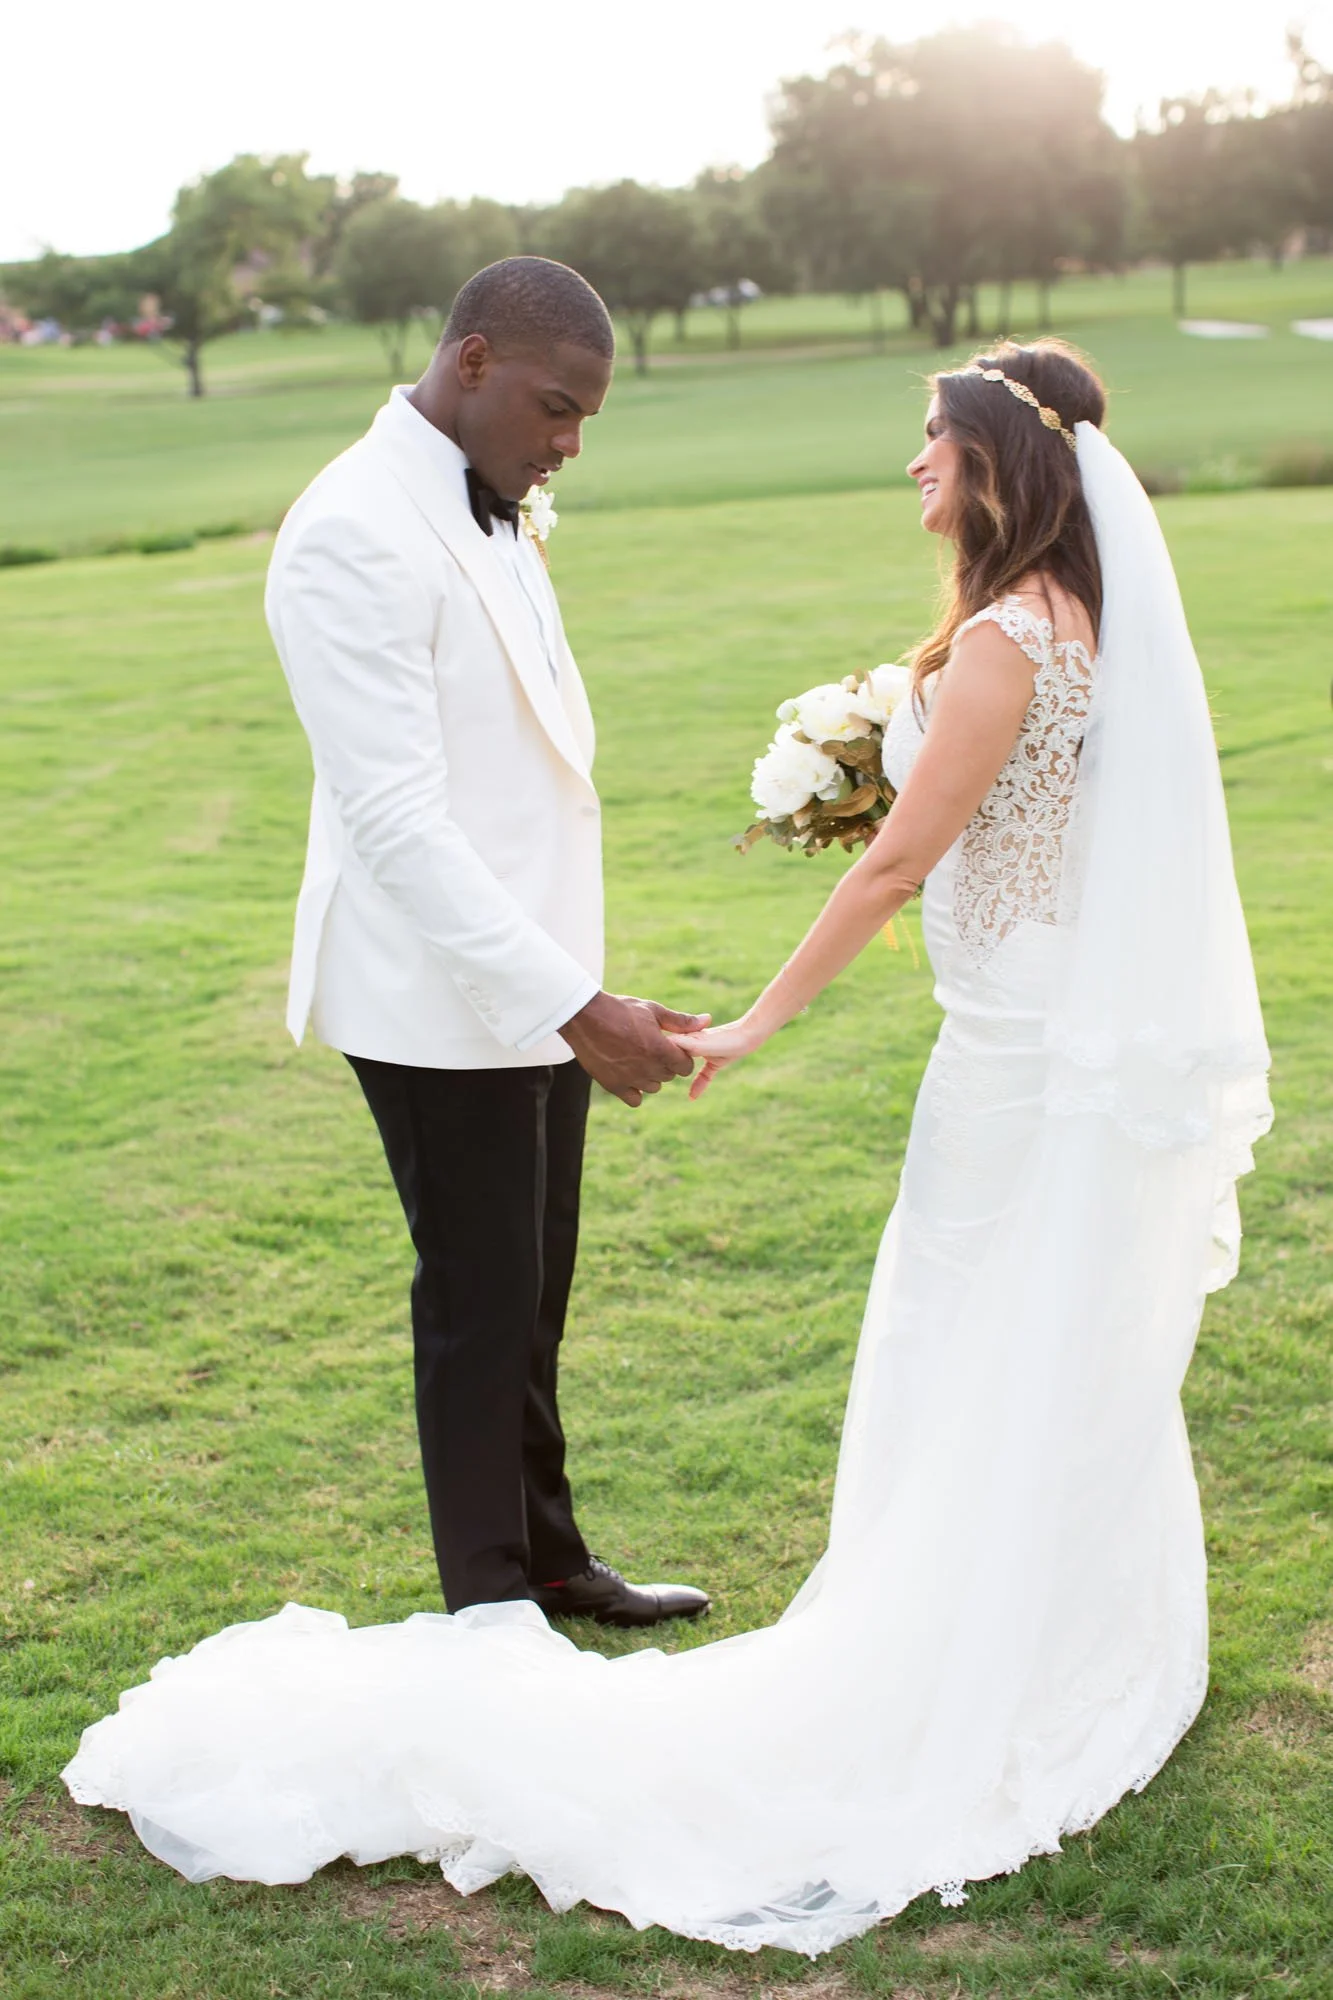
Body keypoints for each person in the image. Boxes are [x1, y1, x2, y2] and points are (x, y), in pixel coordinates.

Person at [64, 340, 1271, 1957]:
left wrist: (756, 1022)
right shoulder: (1084, 624)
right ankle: (1068, 1637)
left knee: (976, 1336)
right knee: (1041, 1346)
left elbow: (899, 870)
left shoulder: (1003, 639)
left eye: (931, 443)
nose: (912, 467)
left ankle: (961, 1654)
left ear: (996, 463)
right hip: (1056, 1045)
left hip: (1009, 1068)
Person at [263, 256, 711, 1628]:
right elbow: (395, 821)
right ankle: (493, 1613)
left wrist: (566, 987)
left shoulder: (495, 501)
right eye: (557, 407)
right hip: (431, 992)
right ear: (469, 362)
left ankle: (553, 1557)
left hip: (531, 974)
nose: (570, 442)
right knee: (478, 1303)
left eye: (586, 418)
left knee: (534, 1288)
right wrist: (575, 1002)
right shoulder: (351, 530)